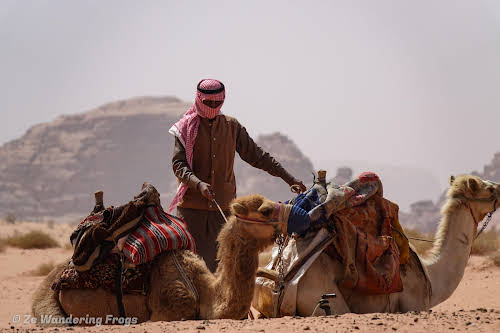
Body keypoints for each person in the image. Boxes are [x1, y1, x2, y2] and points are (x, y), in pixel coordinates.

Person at [169, 79, 306, 272]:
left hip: (222, 210)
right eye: (209, 104)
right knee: (190, 269)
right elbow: (178, 165)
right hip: (192, 211)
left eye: (218, 104)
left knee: (222, 270)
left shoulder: (232, 127)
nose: (213, 108)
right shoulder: (185, 128)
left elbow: (257, 156)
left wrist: (288, 178)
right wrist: (198, 185)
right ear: (199, 100)